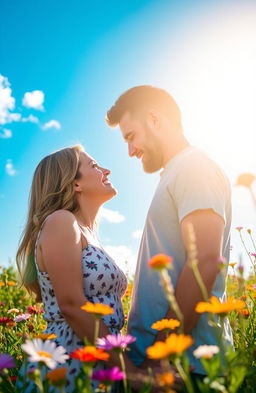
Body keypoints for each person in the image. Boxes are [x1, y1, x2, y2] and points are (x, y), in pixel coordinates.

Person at [106, 86, 233, 386]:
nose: (130, 150)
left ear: (154, 119)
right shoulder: (177, 172)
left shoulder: (193, 167)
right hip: (166, 362)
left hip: (183, 366)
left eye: (130, 136)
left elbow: (204, 260)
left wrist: (162, 354)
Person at [16, 145, 139, 392]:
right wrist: (132, 373)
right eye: (94, 165)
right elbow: (72, 304)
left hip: (97, 356)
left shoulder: (87, 233)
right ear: (74, 184)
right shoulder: (62, 221)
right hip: (70, 359)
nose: (106, 170)